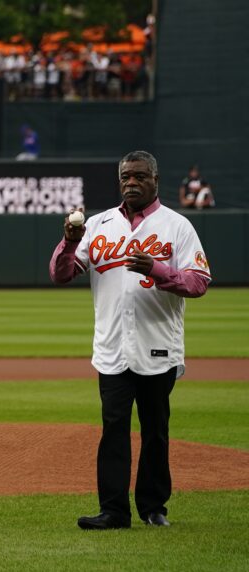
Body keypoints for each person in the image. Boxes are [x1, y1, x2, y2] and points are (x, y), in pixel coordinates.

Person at [49, 150, 211, 530]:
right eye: (125, 177)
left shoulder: (177, 226)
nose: (131, 183)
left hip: (159, 344)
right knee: (114, 430)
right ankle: (114, 511)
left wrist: (157, 269)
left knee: (155, 430)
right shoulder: (98, 224)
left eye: (139, 176)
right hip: (112, 347)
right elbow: (61, 274)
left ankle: (154, 507)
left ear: (155, 179)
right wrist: (69, 242)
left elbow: (199, 282)